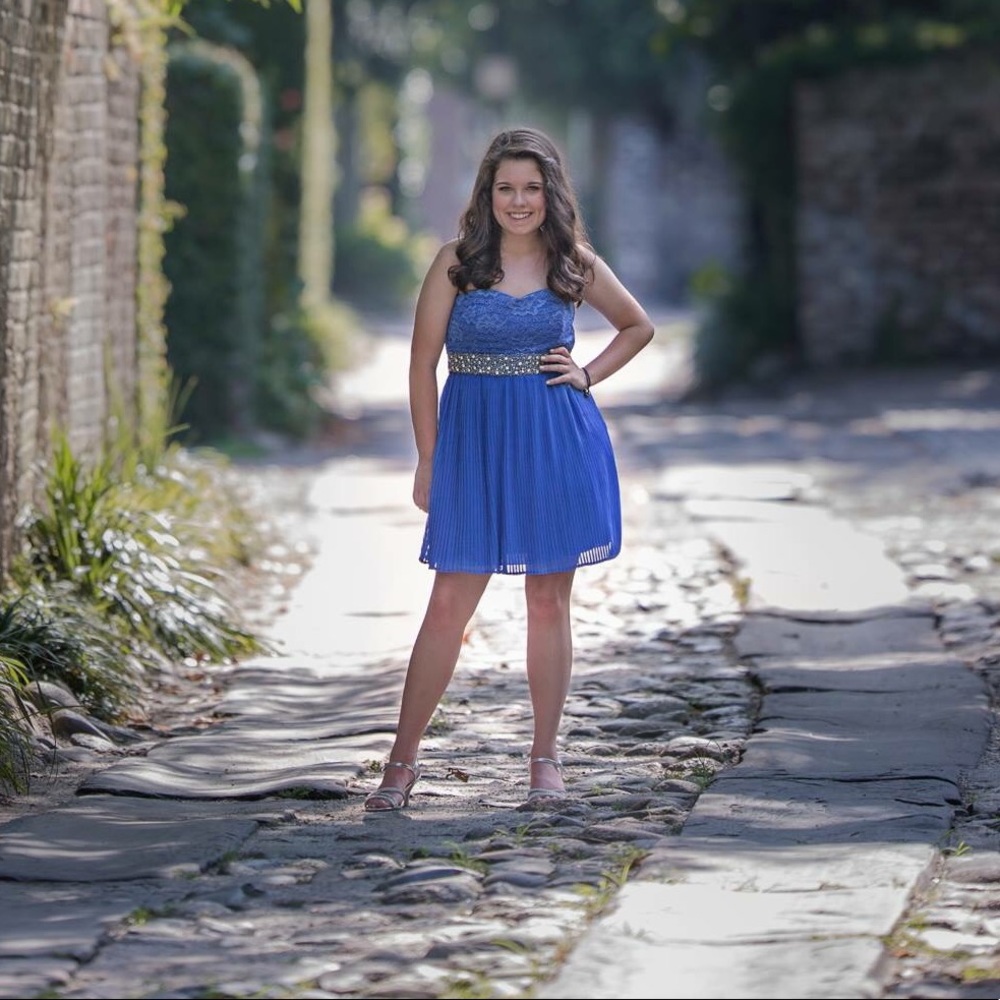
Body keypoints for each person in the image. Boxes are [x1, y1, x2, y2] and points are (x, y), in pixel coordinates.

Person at [363, 126, 655, 812]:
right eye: (505, 189)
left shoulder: (572, 261)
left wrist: (588, 374)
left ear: (549, 193)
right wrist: (428, 458)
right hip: (473, 448)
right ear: (487, 194)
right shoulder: (454, 264)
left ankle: (545, 760)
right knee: (446, 606)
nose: (518, 201)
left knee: (549, 602)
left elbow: (637, 325)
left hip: (556, 440)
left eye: (530, 188)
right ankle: (400, 766)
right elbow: (419, 366)